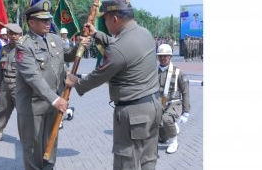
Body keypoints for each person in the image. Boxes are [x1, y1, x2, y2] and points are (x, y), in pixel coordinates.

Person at [65, 0, 162, 169]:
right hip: (153, 106)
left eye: (106, 20)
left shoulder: (118, 49)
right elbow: (122, 46)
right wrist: (97, 34)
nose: (105, 24)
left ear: (115, 19)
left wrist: (76, 82)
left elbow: (99, 75)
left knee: (126, 161)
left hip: (133, 113)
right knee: (148, 158)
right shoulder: (144, 33)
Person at [14, 0, 90, 169]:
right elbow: (33, 77)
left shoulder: (54, 39)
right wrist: (56, 100)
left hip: (53, 107)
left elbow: (68, 55)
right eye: (43, 20)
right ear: (31, 22)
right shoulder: (23, 45)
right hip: (33, 109)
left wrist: (80, 45)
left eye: (48, 19)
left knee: (50, 150)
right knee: (33, 153)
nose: (48, 23)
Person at [0, 23, 23, 145]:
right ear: (7, 35)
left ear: (20, 35)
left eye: (16, 34)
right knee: (2, 110)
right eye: (11, 34)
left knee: (23, 113)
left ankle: (25, 137)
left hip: (19, 87)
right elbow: (1, 69)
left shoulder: (24, 49)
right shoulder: (4, 50)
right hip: (5, 85)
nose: (13, 36)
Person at [156, 44, 191, 154]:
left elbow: (185, 93)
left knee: (166, 118)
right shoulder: (154, 72)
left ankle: (174, 142)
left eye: (165, 56)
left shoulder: (178, 73)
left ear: (170, 57)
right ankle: (172, 129)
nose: (163, 58)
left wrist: (186, 112)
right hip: (160, 102)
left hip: (174, 103)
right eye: (160, 56)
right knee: (161, 137)